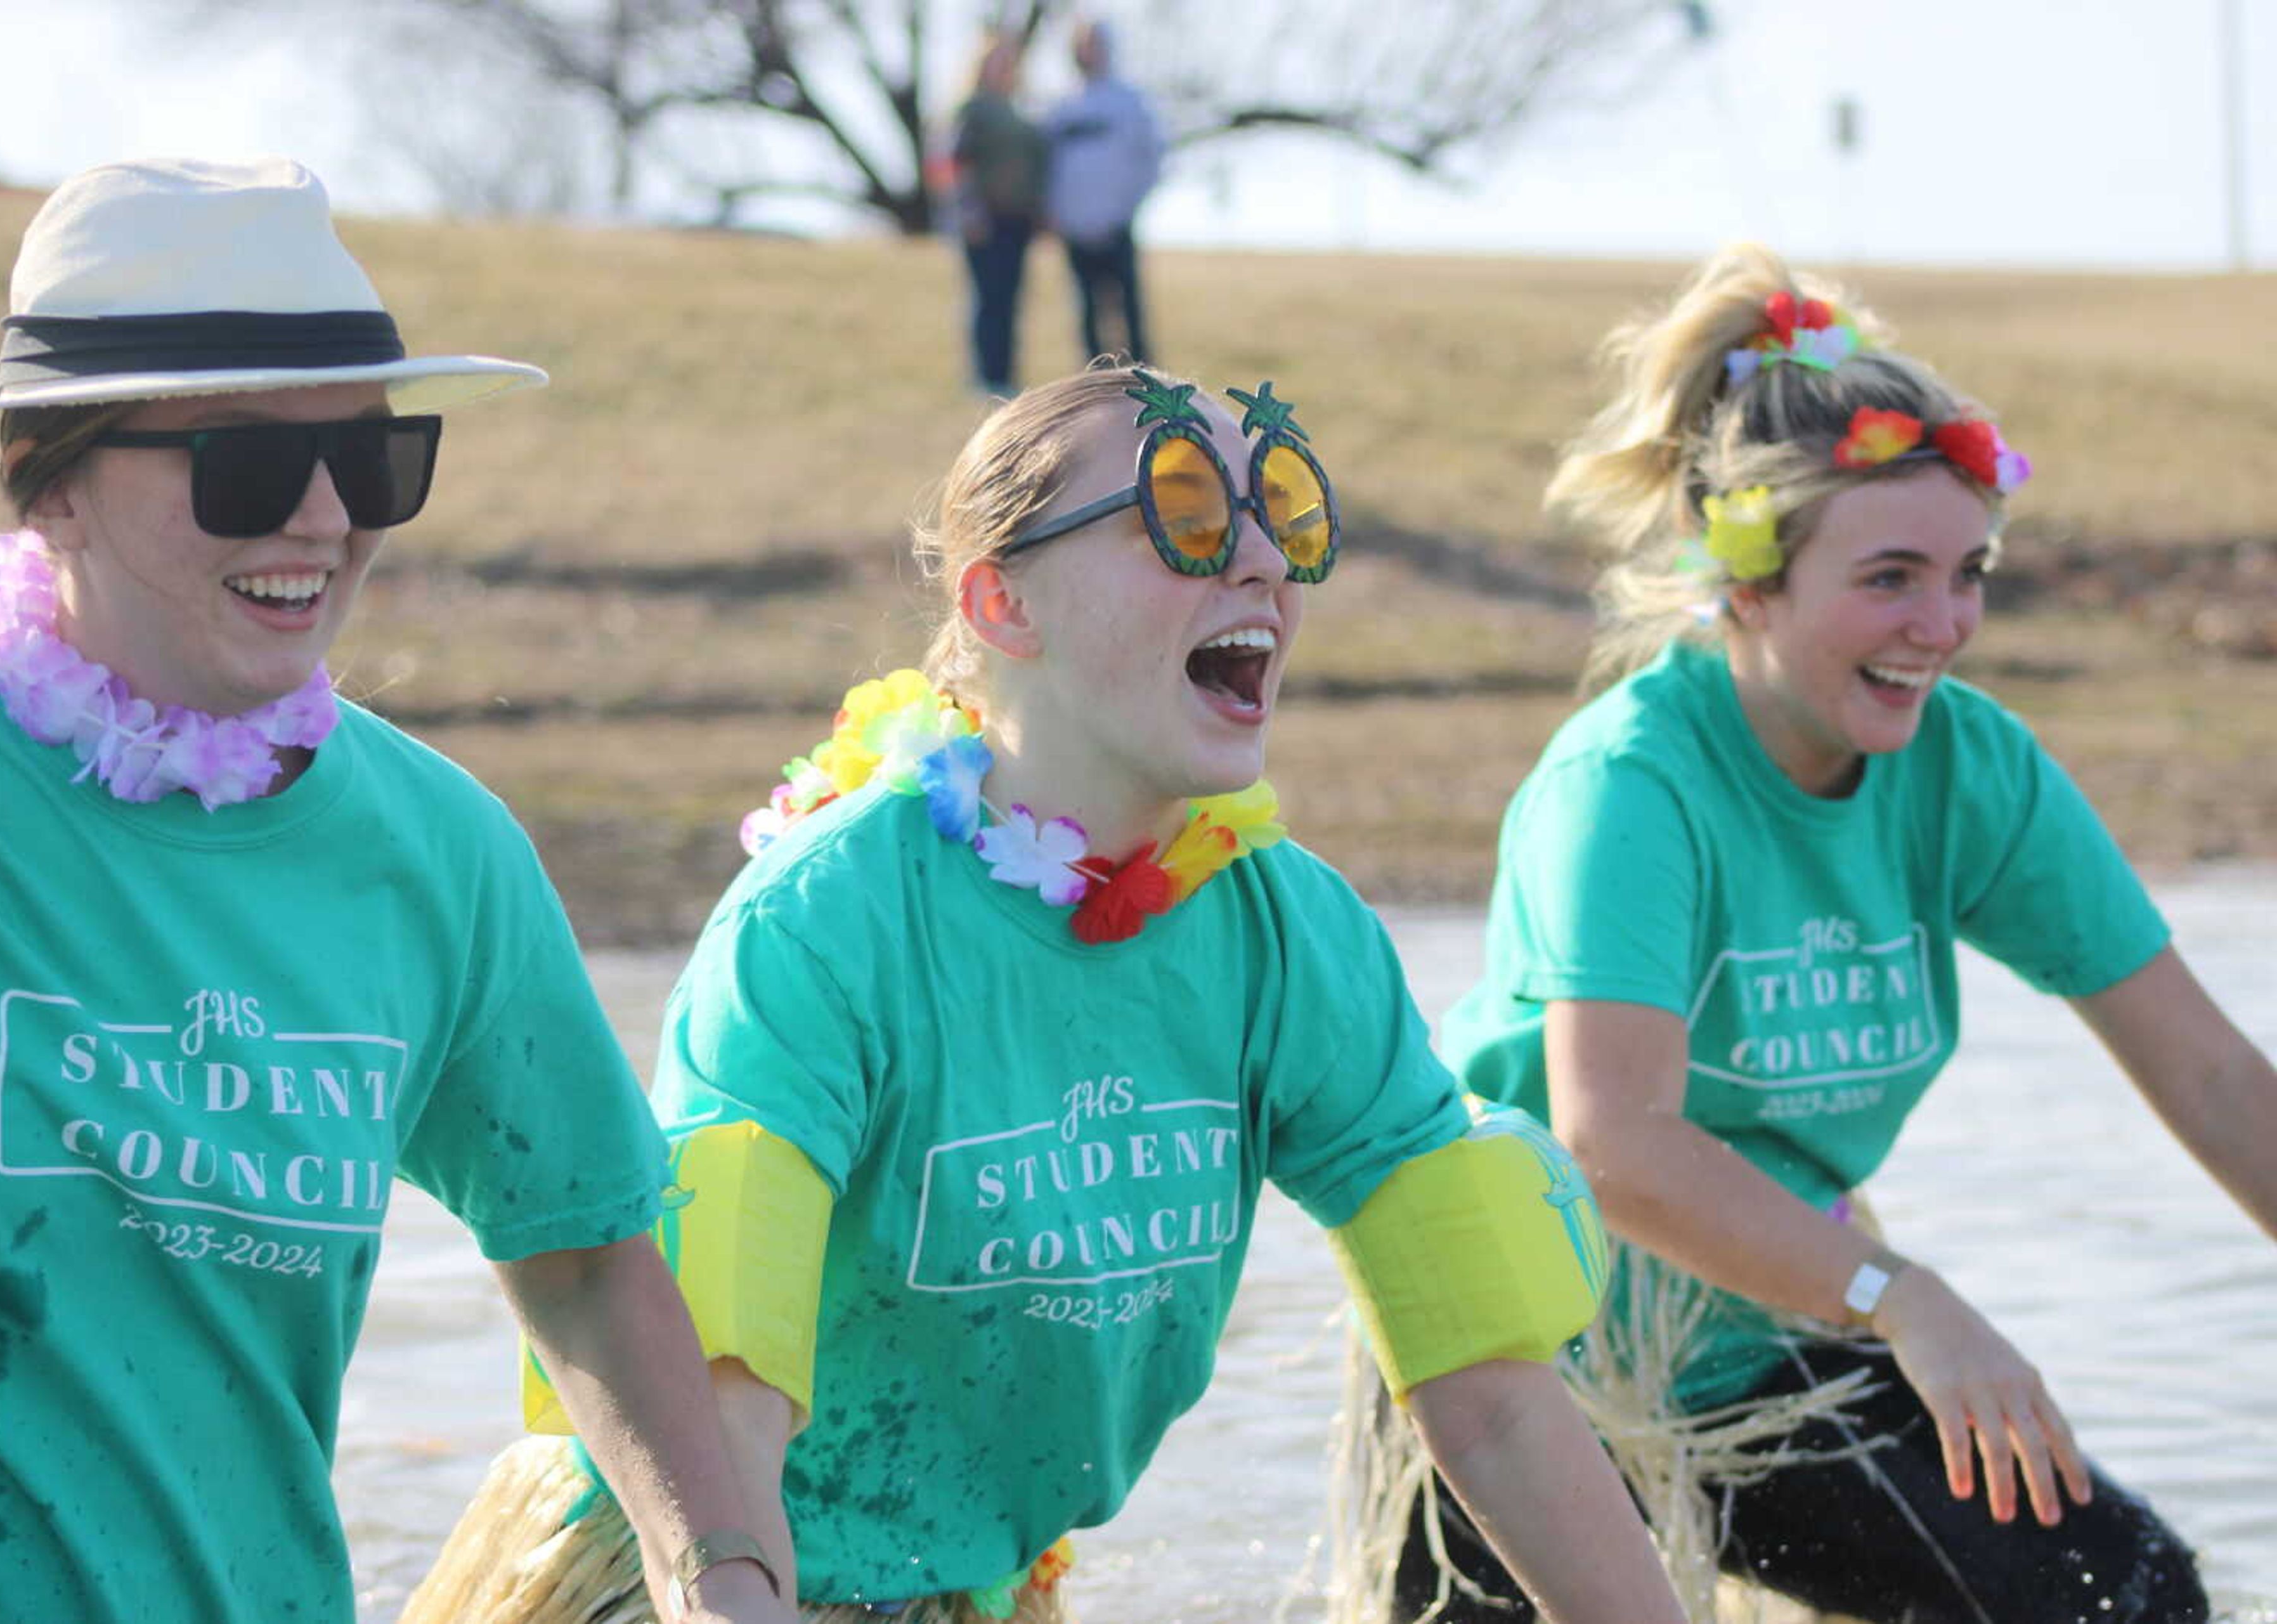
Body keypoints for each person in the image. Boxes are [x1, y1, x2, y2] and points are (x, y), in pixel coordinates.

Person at [408, 365, 1688, 1623]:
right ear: (1003, 604)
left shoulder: (1293, 935)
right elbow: (720, 1388)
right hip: (692, 1573)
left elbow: (1495, 1388)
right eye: (1183, 515)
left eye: (1280, 515)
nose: (1258, 566)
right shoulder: (830, 923)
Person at [0, 157, 795, 1624]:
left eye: (367, 460)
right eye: (241, 465)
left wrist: (715, 1567)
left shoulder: (438, 849)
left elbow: (588, 1253)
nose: (317, 520)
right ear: (55, 483)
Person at [1388, 244, 2277, 1623]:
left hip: (1767, 1340)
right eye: (1892, 576)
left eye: (1968, 570)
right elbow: (1613, 1145)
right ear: (1747, 580)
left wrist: (1878, 1298)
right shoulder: (1628, 785)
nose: (1943, 624)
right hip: (1519, 1375)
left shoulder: (1970, 770)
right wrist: (1903, 1295)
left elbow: (2215, 1076)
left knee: (2126, 1592)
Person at [1044, 20, 1162, 364]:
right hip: (1074, 229)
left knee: (1128, 307)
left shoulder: (1130, 103)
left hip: (1116, 224)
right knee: (1086, 310)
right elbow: (1048, 166)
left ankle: (1145, 379)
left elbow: (1150, 160)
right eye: (1083, 44)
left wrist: (1125, 208)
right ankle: (1094, 382)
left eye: (1095, 44)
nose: (1089, 52)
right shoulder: (1061, 107)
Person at [945, 29, 1047, 397]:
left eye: (1008, 62)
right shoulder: (971, 110)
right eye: (996, 62)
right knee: (987, 299)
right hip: (983, 220)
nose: (1003, 69)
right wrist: (967, 211)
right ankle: (985, 377)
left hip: (1016, 221)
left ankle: (1006, 376)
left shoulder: (1020, 114)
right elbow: (955, 163)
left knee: (1011, 298)